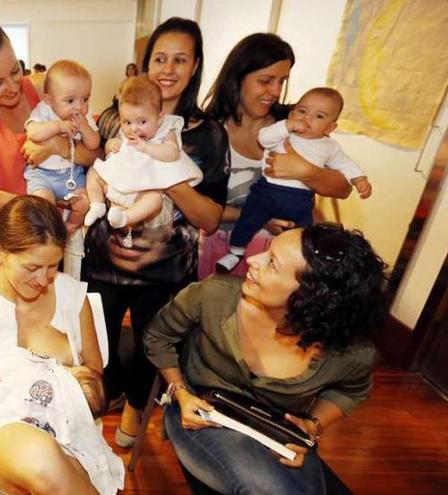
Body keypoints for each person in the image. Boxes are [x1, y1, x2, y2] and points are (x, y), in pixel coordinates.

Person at [145, 223, 387, 494]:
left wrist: (313, 424)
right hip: (201, 411)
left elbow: (352, 390)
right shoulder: (215, 296)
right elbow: (158, 337)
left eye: (272, 263)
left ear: (309, 297)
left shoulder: (348, 352)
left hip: (274, 428)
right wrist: (180, 391)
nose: (252, 259)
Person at [83, 17, 229, 448]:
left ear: (196, 65)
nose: (168, 68)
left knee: (153, 346)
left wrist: (169, 178)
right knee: (98, 342)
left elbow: (210, 219)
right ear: (145, 64)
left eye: (180, 59)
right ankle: (105, 396)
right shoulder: (116, 117)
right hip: (104, 259)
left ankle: (134, 404)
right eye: (159, 58)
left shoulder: (206, 134)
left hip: (164, 269)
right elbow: (92, 161)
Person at [0, 196, 124, 495]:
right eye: (32, 267)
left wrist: (62, 376)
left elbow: (93, 374)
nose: (43, 279)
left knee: (61, 469)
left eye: (52, 267)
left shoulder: (73, 299)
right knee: (44, 463)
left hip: (65, 427)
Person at [199, 33, 353, 278]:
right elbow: (198, 209)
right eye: (266, 80)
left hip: (280, 261)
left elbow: (343, 189)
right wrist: (261, 216)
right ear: (238, 77)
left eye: (282, 81)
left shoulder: (296, 123)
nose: (275, 91)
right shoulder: (209, 131)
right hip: (222, 250)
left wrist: (305, 171)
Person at [0, 15, 99, 237]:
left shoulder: (44, 86)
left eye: (15, 71)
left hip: (64, 231)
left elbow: (95, 154)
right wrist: (45, 205)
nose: (13, 87)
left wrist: (57, 146)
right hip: (13, 238)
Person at [216, 87, 372, 272]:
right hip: (267, 190)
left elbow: (345, 165)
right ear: (292, 114)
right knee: (249, 218)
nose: (307, 118)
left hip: (299, 198)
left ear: (330, 128)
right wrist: (286, 126)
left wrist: (359, 179)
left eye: (319, 116)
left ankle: (296, 266)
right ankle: (235, 252)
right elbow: (264, 138)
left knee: (302, 234)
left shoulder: (330, 147)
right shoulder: (284, 134)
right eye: (302, 111)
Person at [84, 76, 202, 241]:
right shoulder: (126, 132)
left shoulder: (166, 130)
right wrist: (111, 144)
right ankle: (97, 205)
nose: (134, 128)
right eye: (127, 122)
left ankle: (126, 217)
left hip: (142, 192)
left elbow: (172, 152)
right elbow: (110, 150)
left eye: (142, 121)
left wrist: (147, 148)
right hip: (118, 185)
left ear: (159, 118)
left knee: (154, 199)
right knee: (94, 172)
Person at [24, 60, 99, 233]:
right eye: (70, 100)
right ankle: (53, 230)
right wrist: (57, 126)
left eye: (85, 99)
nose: (79, 107)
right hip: (42, 175)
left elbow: (94, 144)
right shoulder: (44, 110)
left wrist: (85, 128)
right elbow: (33, 133)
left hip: (72, 174)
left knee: (85, 202)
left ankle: (70, 227)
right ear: (49, 100)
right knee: (42, 203)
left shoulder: (84, 117)